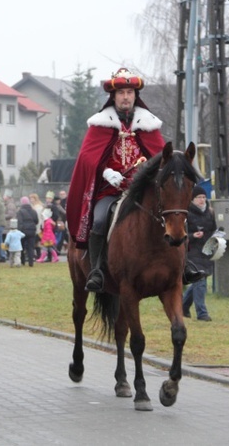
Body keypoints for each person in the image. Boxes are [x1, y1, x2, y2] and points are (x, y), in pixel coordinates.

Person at [66, 68, 166, 293]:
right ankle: (97, 270)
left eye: (130, 92)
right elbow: (87, 157)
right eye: (121, 92)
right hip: (109, 192)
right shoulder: (101, 124)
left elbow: (160, 157)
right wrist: (106, 172)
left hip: (141, 191)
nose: (126, 97)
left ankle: (182, 265)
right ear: (113, 96)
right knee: (100, 220)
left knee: (172, 214)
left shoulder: (148, 124)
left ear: (135, 95)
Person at [182, 186, 216, 322]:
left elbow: (213, 229)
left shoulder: (210, 212)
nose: (202, 200)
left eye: (203, 197)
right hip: (192, 251)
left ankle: (183, 307)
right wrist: (192, 235)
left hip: (207, 250)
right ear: (192, 199)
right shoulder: (187, 214)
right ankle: (202, 313)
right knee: (200, 280)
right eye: (199, 197)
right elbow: (181, 233)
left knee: (198, 281)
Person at [16, 196, 39, 267]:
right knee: (31, 247)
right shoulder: (33, 211)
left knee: (22, 247)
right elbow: (36, 221)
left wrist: (19, 231)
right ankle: (31, 263)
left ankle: (23, 261)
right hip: (32, 231)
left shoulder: (20, 211)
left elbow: (19, 222)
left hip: (23, 231)